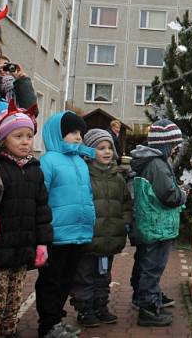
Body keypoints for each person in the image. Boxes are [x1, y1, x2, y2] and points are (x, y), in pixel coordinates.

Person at [0, 104, 52, 338]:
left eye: (30, 136)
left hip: (23, 249)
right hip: (0, 251)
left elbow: (42, 210)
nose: (25, 141)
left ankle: (9, 332)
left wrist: (42, 243)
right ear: (3, 139)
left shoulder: (35, 169)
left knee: (15, 299)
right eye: (18, 136)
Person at [35, 111, 96, 338]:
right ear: (56, 134)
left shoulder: (80, 162)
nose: (78, 137)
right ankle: (47, 325)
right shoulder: (48, 161)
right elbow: (41, 197)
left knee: (66, 280)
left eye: (80, 132)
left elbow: (87, 194)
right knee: (51, 281)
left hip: (78, 233)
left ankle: (56, 321)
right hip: (56, 234)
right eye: (72, 132)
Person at [71, 128, 132, 328]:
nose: (106, 152)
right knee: (84, 275)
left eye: (109, 148)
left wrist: (124, 223)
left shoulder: (118, 178)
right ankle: (85, 309)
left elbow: (125, 204)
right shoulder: (83, 176)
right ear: (89, 151)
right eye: (100, 148)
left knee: (103, 276)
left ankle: (101, 306)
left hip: (110, 238)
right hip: (88, 239)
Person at [130, 119, 187, 327]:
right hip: (157, 225)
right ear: (165, 144)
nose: (175, 149)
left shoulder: (151, 162)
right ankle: (147, 307)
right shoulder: (157, 164)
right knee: (152, 266)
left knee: (145, 262)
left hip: (150, 224)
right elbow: (169, 195)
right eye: (173, 145)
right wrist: (182, 194)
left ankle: (144, 296)